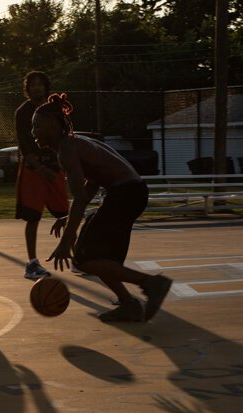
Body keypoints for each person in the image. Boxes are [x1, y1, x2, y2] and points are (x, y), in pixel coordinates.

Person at [34, 94, 173, 322]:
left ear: (51, 125)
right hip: (130, 192)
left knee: (85, 259)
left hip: (125, 195)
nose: (33, 132)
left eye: (36, 126)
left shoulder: (67, 148)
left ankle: (151, 284)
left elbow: (79, 197)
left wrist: (66, 240)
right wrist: (69, 218)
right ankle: (129, 304)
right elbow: (93, 183)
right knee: (98, 258)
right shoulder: (75, 141)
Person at [13, 71, 69, 280]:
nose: (37, 88)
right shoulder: (23, 112)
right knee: (33, 217)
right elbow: (24, 143)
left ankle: (76, 254)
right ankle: (32, 263)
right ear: (28, 88)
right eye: (33, 84)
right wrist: (38, 166)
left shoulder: (56, 108)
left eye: (40, 84)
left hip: (55, 166)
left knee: (66, 214)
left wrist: (64, 162)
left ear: (46, 87)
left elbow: (65, 135)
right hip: (33, 169)